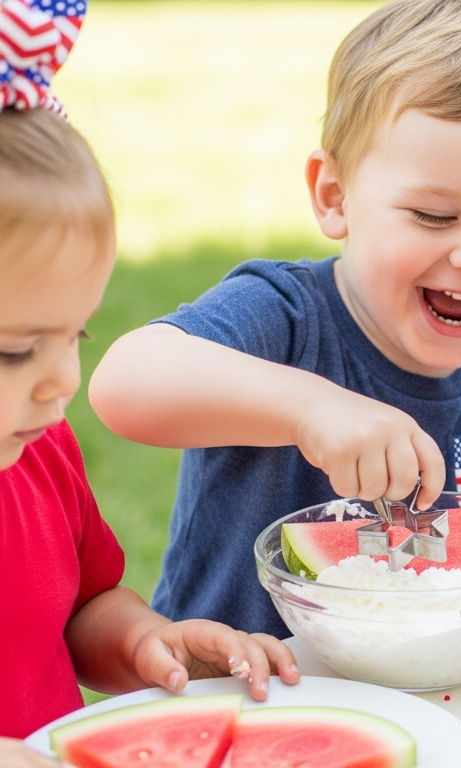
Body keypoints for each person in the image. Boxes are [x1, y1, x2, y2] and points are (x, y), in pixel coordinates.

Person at [88, 0, 461, 638]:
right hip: (245, 689)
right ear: (335, 197)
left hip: (441, 690)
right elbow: (124, 382)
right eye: (434, 216)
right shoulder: (286, 315)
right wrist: (312, 410)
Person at [0, 43, 297, 761]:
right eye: (14, 350)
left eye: (75, 334)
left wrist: (146, 643)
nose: (60, 381)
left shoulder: (38, 450)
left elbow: (81, 610)